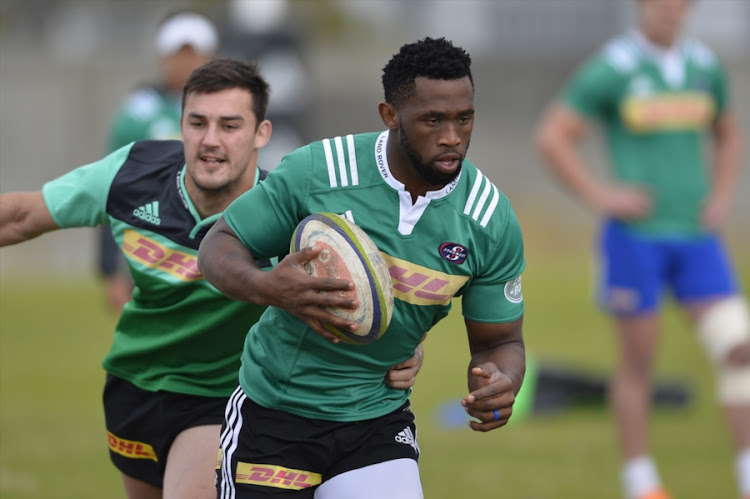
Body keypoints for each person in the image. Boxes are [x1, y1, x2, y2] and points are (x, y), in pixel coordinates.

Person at [0, 58, 422, 499]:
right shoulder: (133, 173)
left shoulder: (287, 214)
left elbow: (363, 292)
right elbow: (23, 215)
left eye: (230, 125)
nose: (210, 141)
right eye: (197, 123)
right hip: (135, 387)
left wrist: (407, 351)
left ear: (262, 134)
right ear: (179, 124)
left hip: (224, 396)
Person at [198, 36, 527, 498]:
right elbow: (219, 246)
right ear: (390, 116)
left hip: (377, 421)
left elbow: (501, 341)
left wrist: (502, 379)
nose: (452, 136)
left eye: (464, 118)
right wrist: (269, 286)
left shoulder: (489, 219)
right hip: (275, 415)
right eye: (433, 120)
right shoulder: (320, 171)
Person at [534, 1, 749, 498]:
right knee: (638, 364)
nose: (668, 11)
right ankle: (641, 481)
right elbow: (552, 137)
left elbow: (728, 134)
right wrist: (600, 196)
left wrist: (721, 197)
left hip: (697, 239)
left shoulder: (703, 65)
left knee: (740, 350)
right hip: (636, 240)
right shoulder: (615, 67)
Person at [99, 11, 219, 312]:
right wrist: (110, 271)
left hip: (216, 248)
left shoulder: (230, 111)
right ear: (162, 57)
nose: (187, 64)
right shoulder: (137, 116)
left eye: (195, 54)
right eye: (179, 54)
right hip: (152, 249)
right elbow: (110, 190)